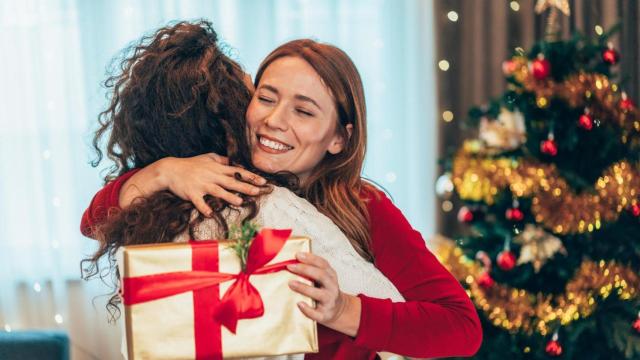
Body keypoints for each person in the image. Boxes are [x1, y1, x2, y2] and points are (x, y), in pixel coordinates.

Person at [82, 30, 482, 358]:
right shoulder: (227, 179)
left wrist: (345, 310)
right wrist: (163, 172)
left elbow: (461, 329)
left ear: (340, 138)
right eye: (266, 98)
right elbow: (94, 220)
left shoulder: (363, 206)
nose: (274, 121)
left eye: (304, 111)